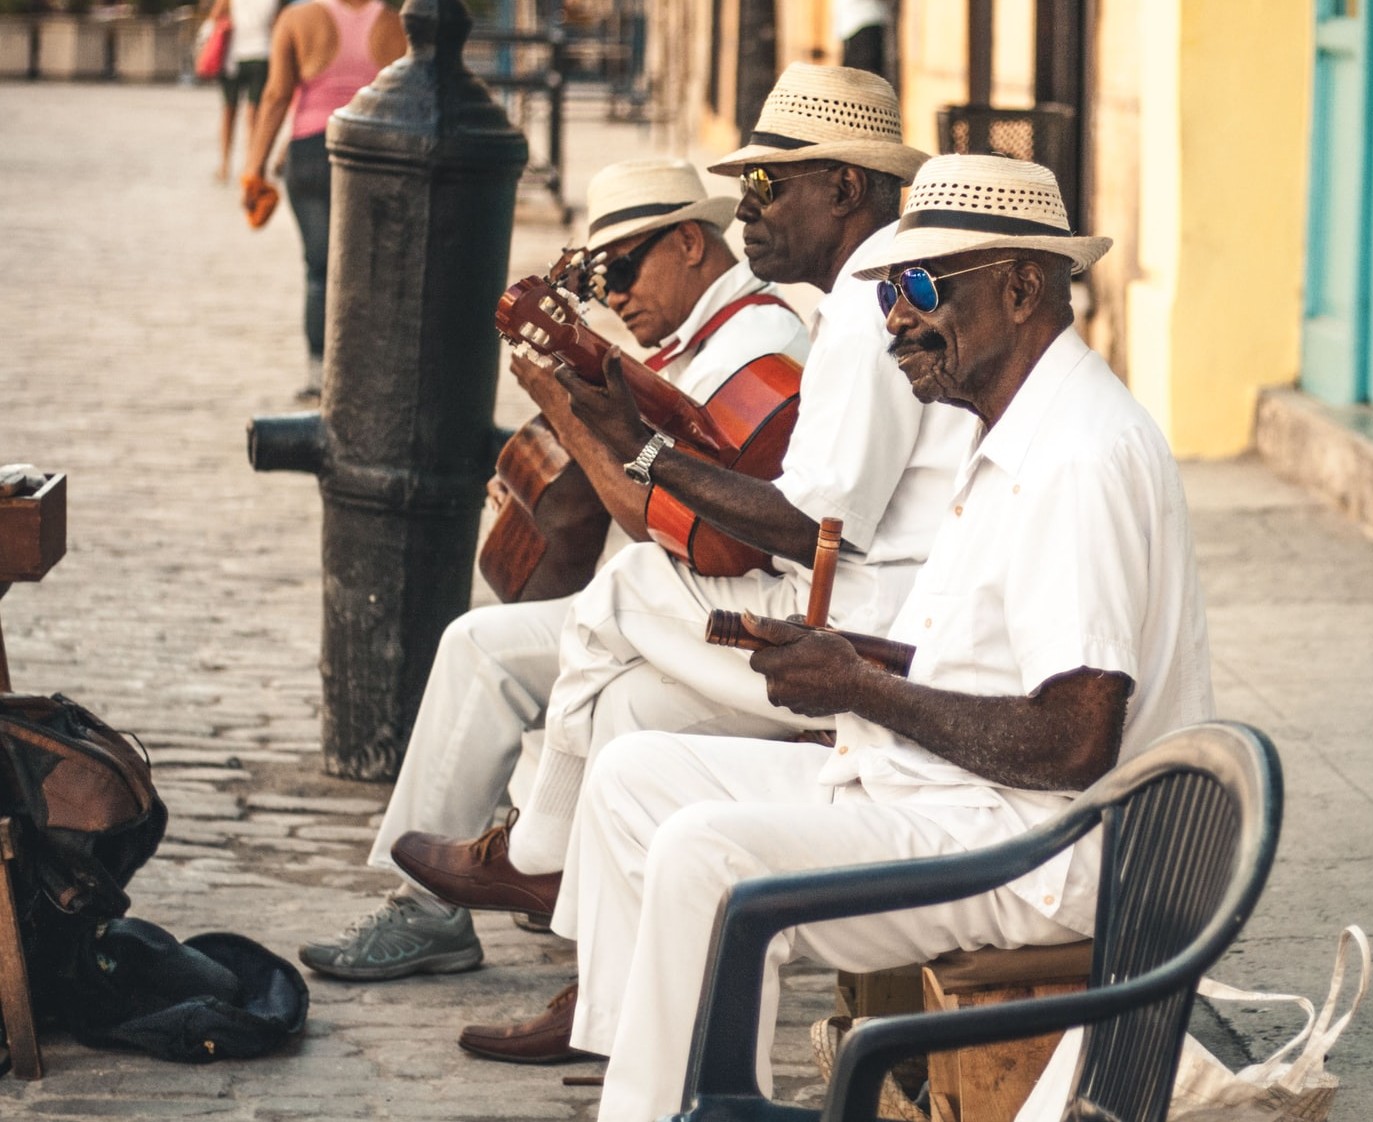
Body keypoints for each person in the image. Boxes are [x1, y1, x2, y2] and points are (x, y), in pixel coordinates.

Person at [527, 154, 1214, 1122]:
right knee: (636, 778)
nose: (896, 317)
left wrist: (863, 689)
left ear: (1022, 289)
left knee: (704, 853)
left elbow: (1075, 740)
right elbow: (998, 661)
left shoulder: (1078, 460)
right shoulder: (1015, 422)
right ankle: (670, 1088)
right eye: (892, 289)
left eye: (924, 287)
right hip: (969, 795)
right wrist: (854, 667)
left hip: (1039, 845)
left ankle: (674, 1105)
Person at [389, 63, 976, 1064]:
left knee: (626, 586)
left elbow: (806, 528)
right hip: (856, 600)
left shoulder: (877, 310)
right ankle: (607, 1014)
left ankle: (536, 853)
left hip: (864, 633)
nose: (752, 208)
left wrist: (643, 450)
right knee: (627, 720)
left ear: (843, 188)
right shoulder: (850, 305)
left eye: (768, 186)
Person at [297, 158, 812, 982]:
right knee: (482, 643)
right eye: (597, 280)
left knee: (510, 654)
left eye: (622, 270)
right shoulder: (697, 342)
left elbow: (683, 532)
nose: (611, 297)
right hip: (676, 601)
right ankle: (454, 896)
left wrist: (574, 415)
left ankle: (510, 879)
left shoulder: (755, 345)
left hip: (726, 609)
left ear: (688, 242)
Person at [240, 0, 406, 402]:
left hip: (313, 151)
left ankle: (318, 377)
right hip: (375, 153)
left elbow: (277, 94)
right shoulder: (394, 25)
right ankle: (367, 371)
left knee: (319, 269)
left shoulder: (296, 20)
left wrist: (255, 167)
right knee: (372, 269)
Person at [208, 0, 281, 183]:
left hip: (234, 55)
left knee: (229, 112)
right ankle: (251, 165)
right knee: (253, 114)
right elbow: (276, 23)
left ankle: (225, 165)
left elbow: (216, 15)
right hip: (261, 53)